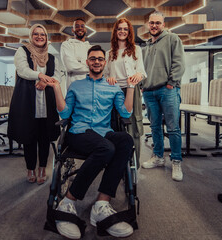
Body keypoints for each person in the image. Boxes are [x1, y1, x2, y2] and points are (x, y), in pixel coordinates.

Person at [47, 45, 135, 239]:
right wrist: (56, 88)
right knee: (106, 147)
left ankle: (101, 204)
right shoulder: (76, 86)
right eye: (93, 58)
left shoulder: (112, 86)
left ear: (105, 63)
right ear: (87, 62)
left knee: (125, 140)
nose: (96, 61)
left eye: (100, 59)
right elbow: (64, 113)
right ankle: (68, 201)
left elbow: (126, 113)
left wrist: (130, 87)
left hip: (103, 133)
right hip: (79, 133)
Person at [8, 24, 61, 185]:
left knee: (44, 137)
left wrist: (45, 82)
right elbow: (22, 70)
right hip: (27, 100)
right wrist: (40, 76)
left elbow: (57, 75)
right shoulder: (22, 51)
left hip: (47, 101)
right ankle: (30, 168)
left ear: (46, 38)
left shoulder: (52, 57)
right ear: (31, 36)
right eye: (36, 34)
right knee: (29, 137)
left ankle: (42, 168)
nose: (39, 37)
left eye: (43, 34)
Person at [141, 11, 185, 181]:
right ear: (148, 25)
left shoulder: (173, 39)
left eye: (158, 23)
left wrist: (171, 83)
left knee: (173, 128)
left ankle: (176, 161)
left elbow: (179, 63)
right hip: (149, 92)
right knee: (155, 127)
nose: (154, 26)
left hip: (167, 90)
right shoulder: (147, 46)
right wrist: (143, 86)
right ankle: (158, 157)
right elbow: (143, 70)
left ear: (163, 25)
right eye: (152, 23)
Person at [104, 18, 146, 169]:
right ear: (115, 32)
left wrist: (138, 76)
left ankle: (134, 164)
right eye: (119, 29)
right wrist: (108, 78)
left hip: (131, 90)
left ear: (129, 32)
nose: (122, 31)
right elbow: (105, 74)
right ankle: (117, 165)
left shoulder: (136, 49)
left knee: (133, 126)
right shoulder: (109, 53)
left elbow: (142, 72)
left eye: (125, 29)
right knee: (115, 125)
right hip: (114, 92)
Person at [60, 18, 92, 89]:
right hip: (73, 88)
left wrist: (79, 63)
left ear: (85, 29)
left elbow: (98, 67)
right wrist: (90, 68)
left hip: (90, 88)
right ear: (73, 30)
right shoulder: (67, 45)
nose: (80, 28)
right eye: (77, 26)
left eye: (82, 26)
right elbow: (70, 67)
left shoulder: (91, 48)